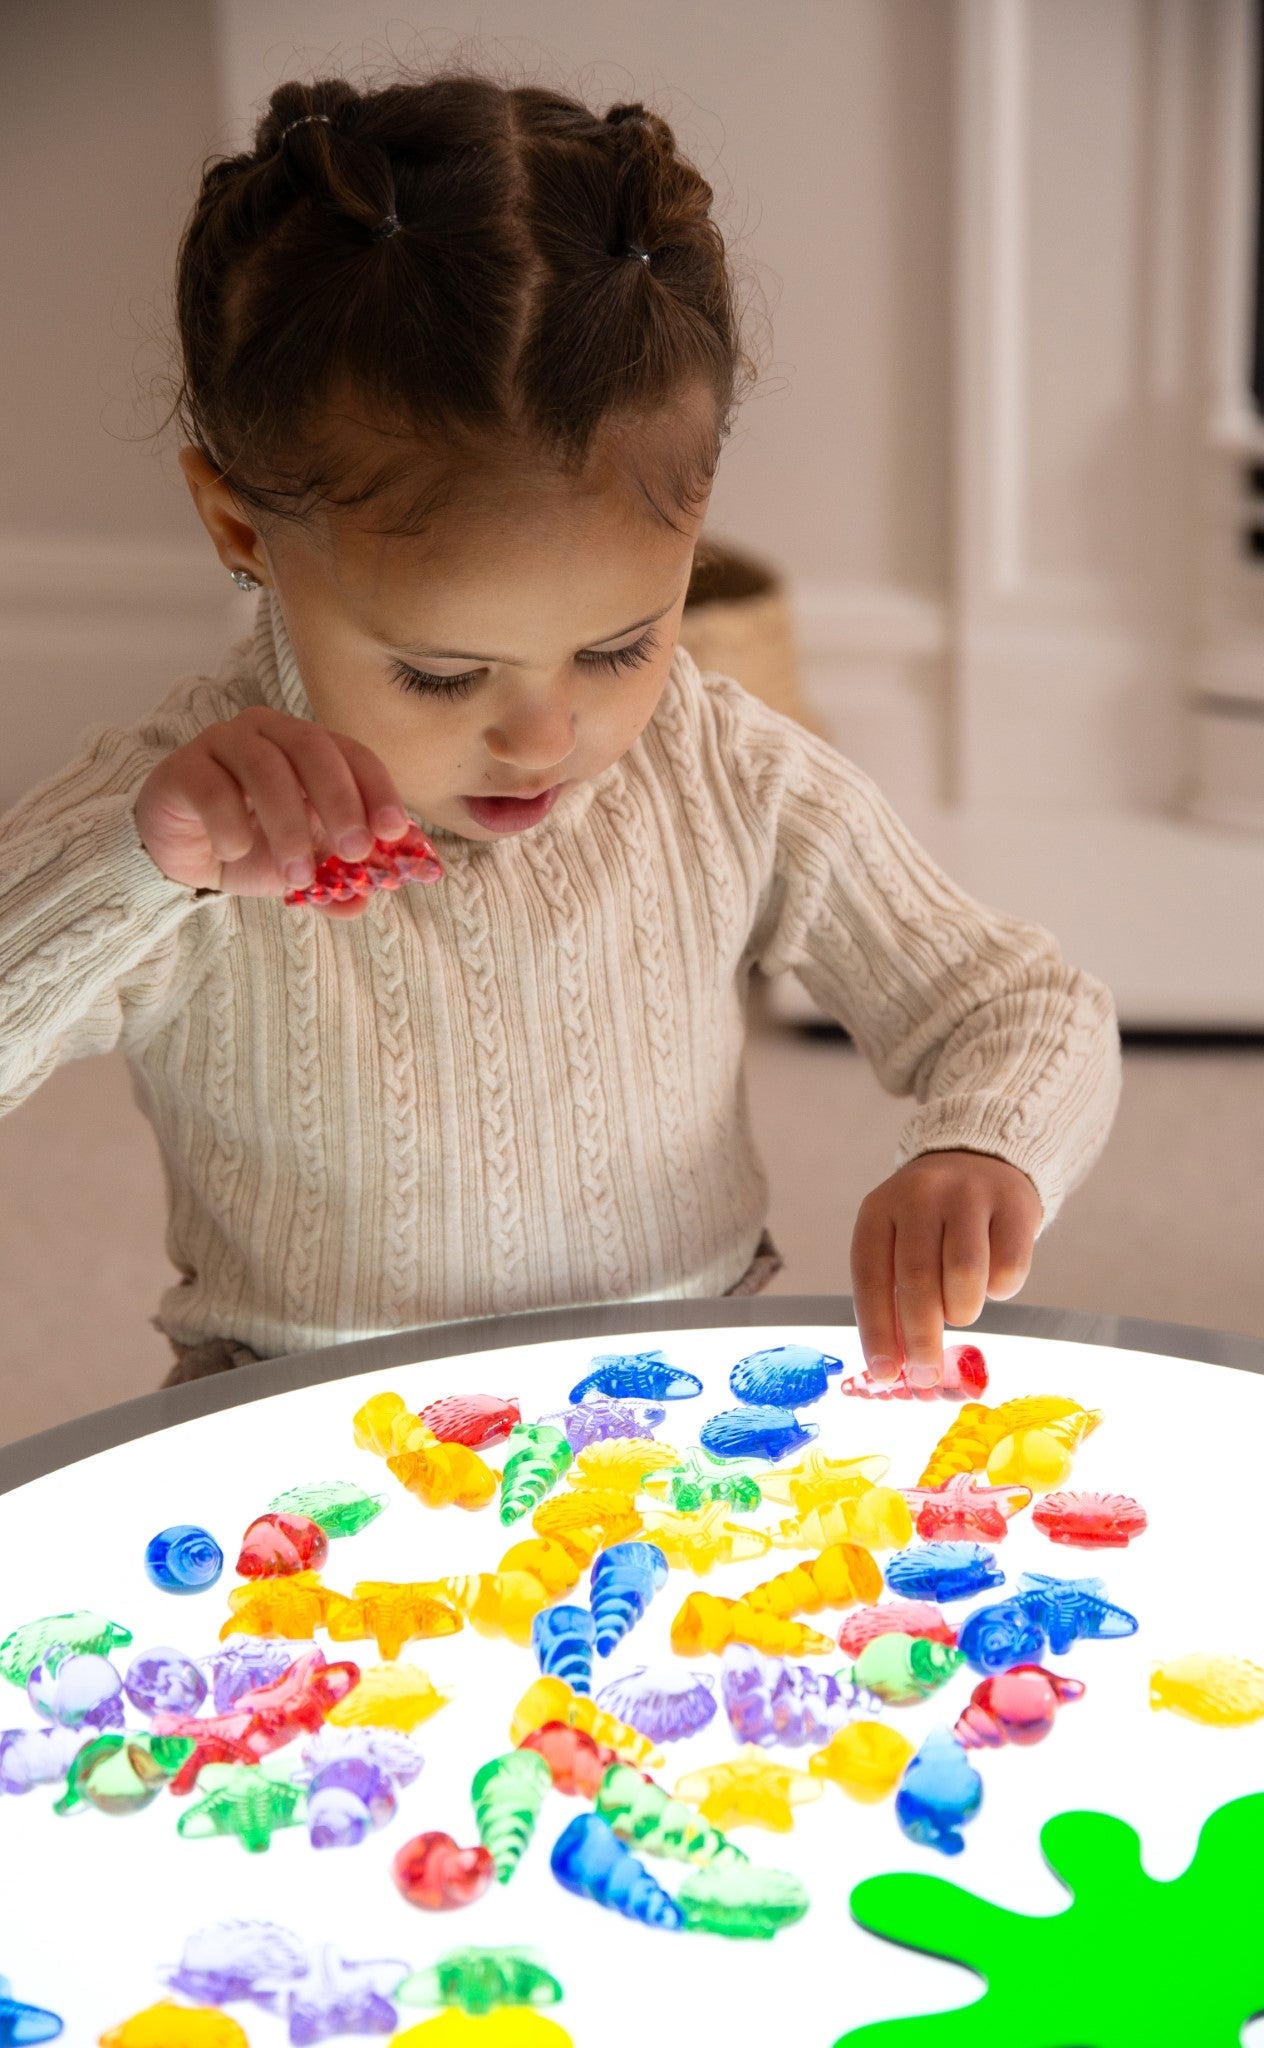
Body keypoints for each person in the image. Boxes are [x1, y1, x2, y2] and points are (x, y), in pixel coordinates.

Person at [0, 70, 1121, 1393]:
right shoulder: (186, 825)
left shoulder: (721, 771)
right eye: (438, 673)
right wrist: (138, 870)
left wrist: (984, 1146)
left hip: (678, 1413)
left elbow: (1016, 1003)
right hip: (302, 1442)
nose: (544, 735)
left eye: (617, 646)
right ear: (242, 528)